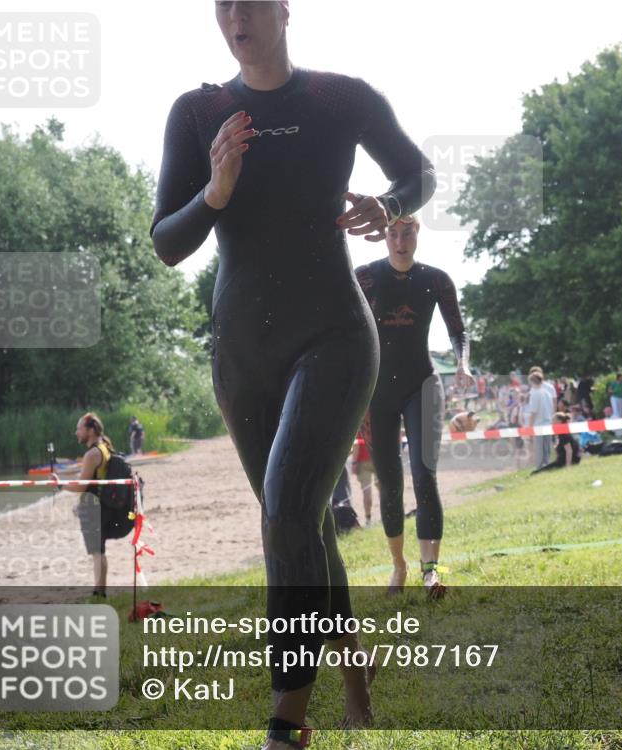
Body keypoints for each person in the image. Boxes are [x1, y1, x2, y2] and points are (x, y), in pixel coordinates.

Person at [150, 2, 434, 739]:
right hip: (242, 352)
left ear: (284, 10)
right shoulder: (197, 112)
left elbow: (418, 170)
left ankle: (287, 719)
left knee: (284, 512)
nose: (236, 15)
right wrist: (214, 191)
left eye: (251, 1)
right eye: (223, 4)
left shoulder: (339, 98)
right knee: (299, 524)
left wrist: (390, 203)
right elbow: (166, 244)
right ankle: (353, 668)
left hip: (334, 332)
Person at [355, 214, 472, 600]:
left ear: (417, 234)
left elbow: (458, 329)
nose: (400, 241)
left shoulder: (435, 279)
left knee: (424, 475)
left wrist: (463, 364)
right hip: (376, 392)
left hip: (422, 384)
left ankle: (430, 570)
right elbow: (342, 323)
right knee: (390, 482)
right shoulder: (365, 276)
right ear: (383, 236)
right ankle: (398, 565)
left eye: (407, 232)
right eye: (392, 233)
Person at [51, 414, 118, 598]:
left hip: (96, 508)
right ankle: (101, 591)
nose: (76, 432)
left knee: (97, 552)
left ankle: (99, 592)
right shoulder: (104, 446)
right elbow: (92, 481)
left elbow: (83, 485)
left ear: (91, 430)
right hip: (102, 505)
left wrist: (60, 484)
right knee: (100, 551)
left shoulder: (92, 454)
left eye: (79, 428)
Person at [526, 372, 555, 470]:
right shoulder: (547, 393)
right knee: (546, 448)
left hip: (539, 424)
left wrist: (529, 427)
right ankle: (546, 465)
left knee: (539, 449)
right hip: (548, 422)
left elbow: (533, 412)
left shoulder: (534, 394)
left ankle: (540, 467)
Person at [351, 430, 374, 526]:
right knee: (383, 490)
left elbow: (356, 444)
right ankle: (386, 517)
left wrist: (354, 462)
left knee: (366, 491)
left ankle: (368, 519)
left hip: (363, 461)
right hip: (379, 459)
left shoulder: (360, 418)